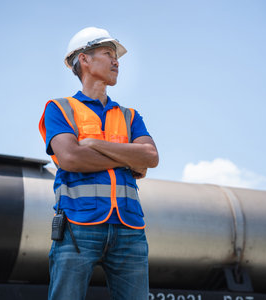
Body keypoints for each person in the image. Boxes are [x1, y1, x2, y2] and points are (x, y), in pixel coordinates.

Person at [39, 26, 159, 300]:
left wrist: (93, 144)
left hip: (130, 228)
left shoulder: (130, 116)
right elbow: (70, 158)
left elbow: (150, 158)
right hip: (77, 226)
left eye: (116, 56)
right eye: (107, 53)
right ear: (84, 59)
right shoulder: (60, 108)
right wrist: (128, 159)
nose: (116, 61)